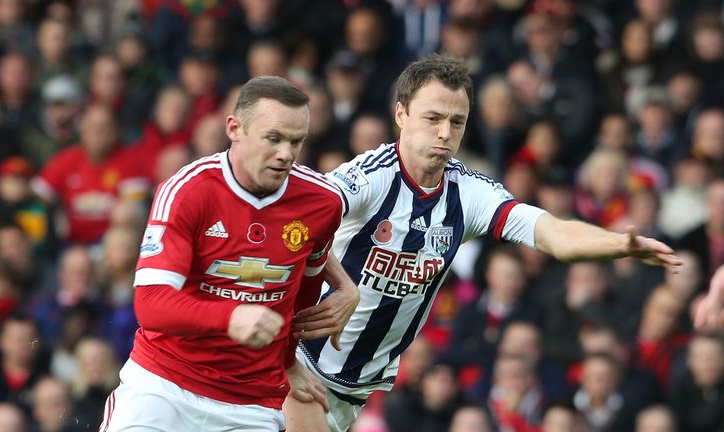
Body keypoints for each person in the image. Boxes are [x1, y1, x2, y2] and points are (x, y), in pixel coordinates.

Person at [284, 54, 681, 432]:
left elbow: (553, 233)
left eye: (457, 122)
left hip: (356, 389)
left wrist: (618, 243)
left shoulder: (470, 193)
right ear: (401, 114)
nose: (445, 132)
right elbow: (292, 231)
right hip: (301, 367)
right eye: (433, 118)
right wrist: (333, 293)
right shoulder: (368, 178)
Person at [98, 76, 357, 432]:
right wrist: (230, 317)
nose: (286, 153)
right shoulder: (189, 191)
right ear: (234, 128)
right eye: (274, 138)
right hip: (164, 387)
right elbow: (151, 303)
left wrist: (287, 361)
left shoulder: (322, 202)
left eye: (296, 141)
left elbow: (302, 295)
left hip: (250, 403)